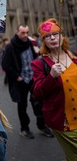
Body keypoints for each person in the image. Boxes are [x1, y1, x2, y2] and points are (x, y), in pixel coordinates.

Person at [31, 18, 77, 159]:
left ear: (61, 36)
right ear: (43, 41)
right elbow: (37, 92)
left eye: (55, 34)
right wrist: (51, 76)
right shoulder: (39, 63)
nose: (52, 38)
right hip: (64, 121)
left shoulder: (74, 58)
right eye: (47, 36)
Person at [2, 24, 53, 139]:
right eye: (22, 33)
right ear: (17, 32)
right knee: (22, 106)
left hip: (33, 79)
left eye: (27, 32)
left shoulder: (31, 43)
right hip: (21, 81)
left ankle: (42, 126)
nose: (25, 35)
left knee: (38, 103)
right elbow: (6, 65)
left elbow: (38, 56)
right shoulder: (10, 47)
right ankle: (24, 129)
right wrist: (17, 77)